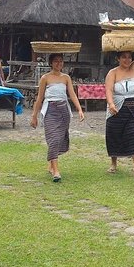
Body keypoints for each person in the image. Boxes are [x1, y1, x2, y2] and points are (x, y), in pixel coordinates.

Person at [30, 53, 85, 182]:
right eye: (56, 61)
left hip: (63, 110)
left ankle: (51, 164)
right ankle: (56, 171)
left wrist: (79, 109)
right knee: (53, 139)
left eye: (61, 61)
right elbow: (39, 98)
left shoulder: (66, 78)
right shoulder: (45, 78)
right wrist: (34, 116)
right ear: (51, 63)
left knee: (60, 138)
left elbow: (72, 94)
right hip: (50, 110)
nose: (58, 64)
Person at [104, 29, 134, 178]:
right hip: (117, 108)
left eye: (129, 57)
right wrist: (111, 104)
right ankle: (114, 162)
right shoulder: (113, 73)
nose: (127, 60)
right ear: (118, 58)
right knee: (115, 135)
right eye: (124, 57)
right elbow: (109, 90)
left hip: (133, 108)